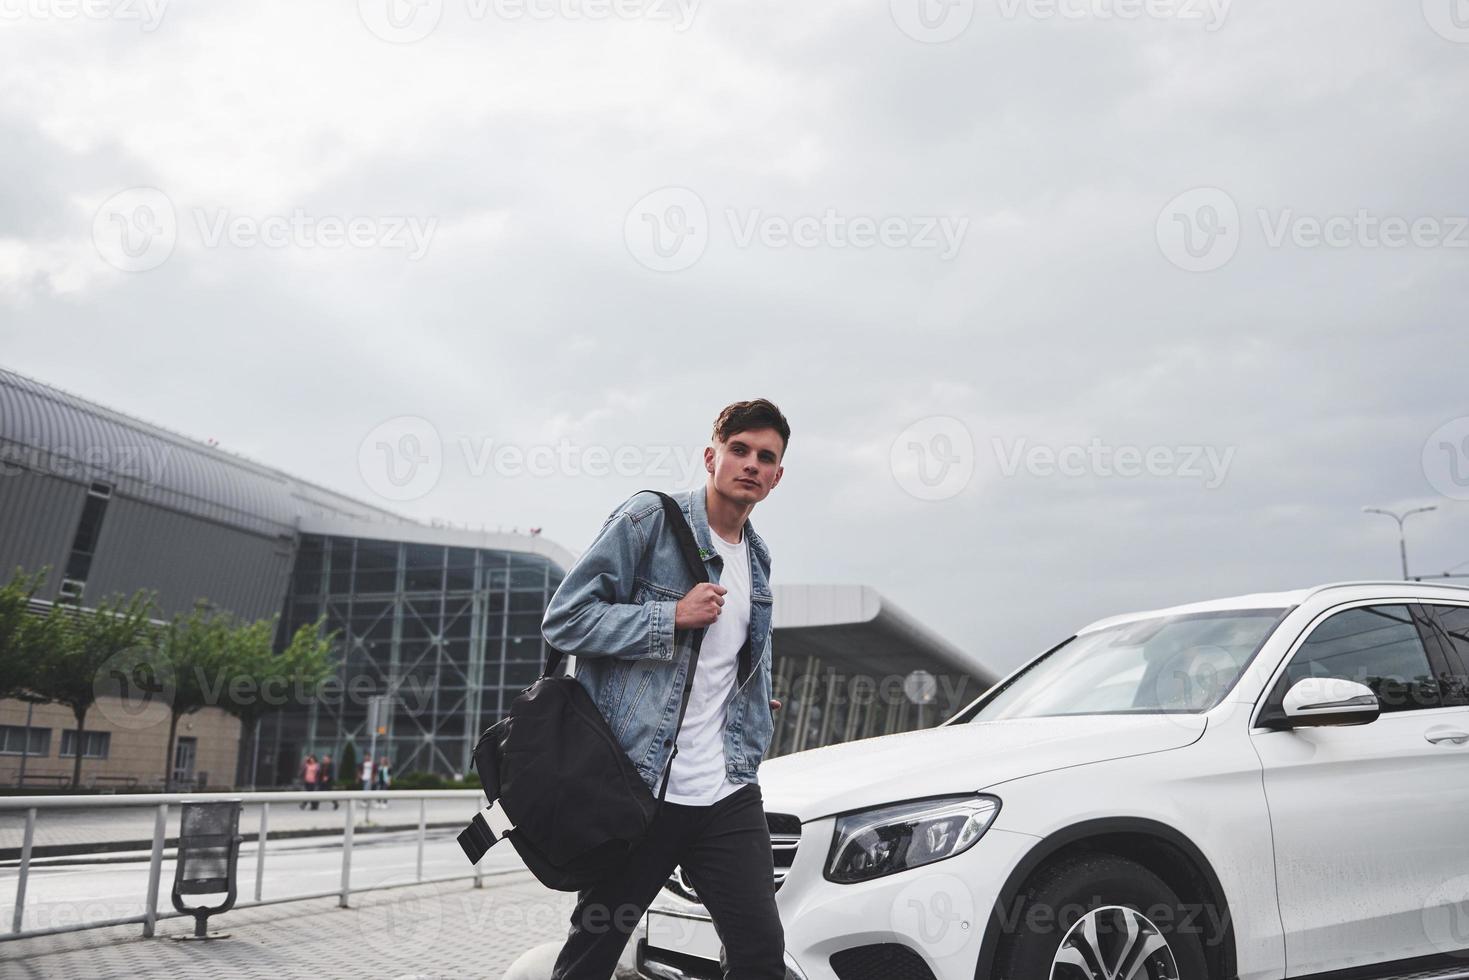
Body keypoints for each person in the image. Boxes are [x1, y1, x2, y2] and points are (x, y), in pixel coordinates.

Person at [542, 399, 789, 980]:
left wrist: (746, 698)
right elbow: (565, 620)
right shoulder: (648, 521)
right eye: (739, 450)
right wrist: (668, 616)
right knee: (591, 956)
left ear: (777, 477)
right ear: (711, 456)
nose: (751, 464)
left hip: (725, 789)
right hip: (640, 788)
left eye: (766, 457)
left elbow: (726, 663)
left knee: (759, 956)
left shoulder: (756, 558)